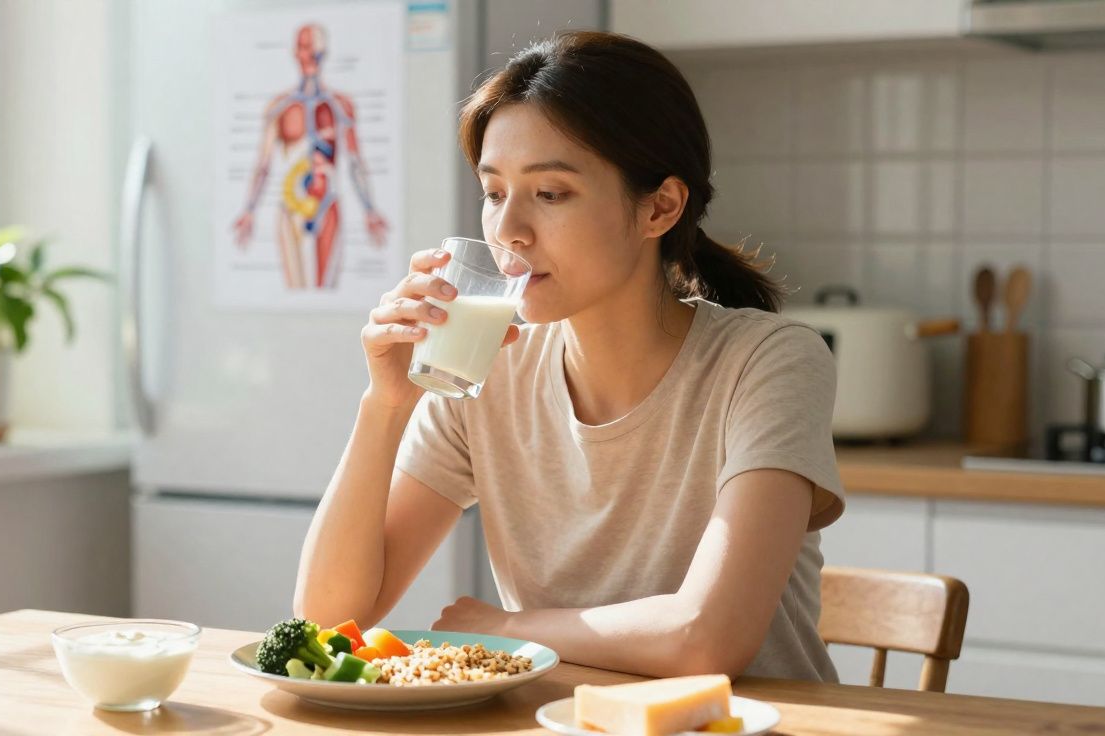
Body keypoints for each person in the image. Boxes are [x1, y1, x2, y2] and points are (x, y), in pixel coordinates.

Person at [293, 30, 845, 682]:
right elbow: (327, 621)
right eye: (494, 193)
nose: (508, 231)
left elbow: (706, 640)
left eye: (550, 194)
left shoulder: (769, 362)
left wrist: (505, 629)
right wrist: (385, 403)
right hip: (563, 721)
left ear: (660, 208)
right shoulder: (486, 366)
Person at [232, 22, 389, 290]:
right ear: (296, 52)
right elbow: (263, 164)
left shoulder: (340, 106)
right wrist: (249, 210)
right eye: (306, 47)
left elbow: (354, 162)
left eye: (317, 49)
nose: (313, 55)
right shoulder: (279, 107)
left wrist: (369, 209)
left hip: (327, 205)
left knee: (325, 289)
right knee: (296, 290)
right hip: (290, 208)